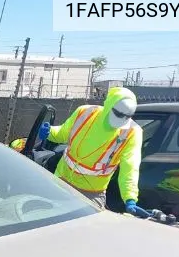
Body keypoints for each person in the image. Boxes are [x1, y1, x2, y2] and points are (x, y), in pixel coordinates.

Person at [12, 87, 143, 213]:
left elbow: (130, 168)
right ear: (109, 105)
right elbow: (63, 134)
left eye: (127, 116)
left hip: (91, 194)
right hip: (61, 182)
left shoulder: (132, 133)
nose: (122, 119)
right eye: (118, 114)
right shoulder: (84, 113)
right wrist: (49, 132)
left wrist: (130, 198)